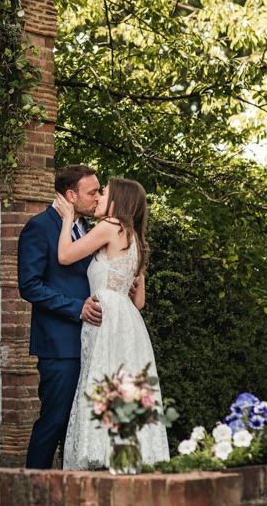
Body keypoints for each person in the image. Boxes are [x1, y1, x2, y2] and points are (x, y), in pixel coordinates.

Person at [55, 177, 170, 470]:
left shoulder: (110, 227)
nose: (100, 196)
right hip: (128, 320)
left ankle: (102, 457)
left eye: (104, 192)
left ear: (118, 201)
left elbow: (65, 256)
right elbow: (139, 301)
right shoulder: (137, 240)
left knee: (102, 379)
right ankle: (125, 457)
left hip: (106, 317)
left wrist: (68, 219)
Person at [17, 165, 104, 469]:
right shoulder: (39, 227)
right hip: (59, 344)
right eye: (92, 192)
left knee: (78, 425)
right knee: (54, 421)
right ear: (71, 194)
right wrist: (76, 307)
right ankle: (30, 491)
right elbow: (30, 286)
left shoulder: (88, 229)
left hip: (90, 340)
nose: (98, 197)